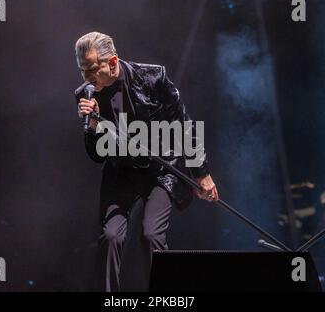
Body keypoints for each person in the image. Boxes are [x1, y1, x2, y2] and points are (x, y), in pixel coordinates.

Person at [74, 32, 219, 291]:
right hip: (122, 171)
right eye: (82, 70)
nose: (87, 77)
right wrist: (93, 123)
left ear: (113, 62)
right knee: (110, 236)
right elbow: (97, 155)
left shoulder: (153, 78)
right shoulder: (87, 95)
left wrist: (202, 174)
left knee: (151, 234)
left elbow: (183, 124)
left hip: (159, 169)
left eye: (92, 69)